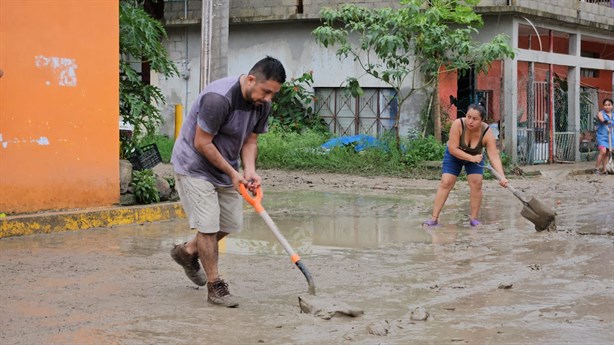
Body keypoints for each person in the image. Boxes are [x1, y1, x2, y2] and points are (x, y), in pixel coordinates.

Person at [170, 56, 286, 307]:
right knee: (208, 226)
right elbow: (202, 143)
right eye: (266, 92)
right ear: (251, 79)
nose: (268, 99)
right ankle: (215, 287)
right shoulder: (219, 98)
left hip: (226, 168)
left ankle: (187, 252)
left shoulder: (262, 105)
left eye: (273, 94)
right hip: (195, 166)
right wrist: (234, 174)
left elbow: (250, 140)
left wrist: (249, 171)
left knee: (230, 223)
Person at [423, 103, 509, 227]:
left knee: (476, 182)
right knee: (446, 182)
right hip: (455, 156)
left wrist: (502, 177)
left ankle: (474, 219)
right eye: (468, 117)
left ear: (482, 120)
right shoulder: (458, 124)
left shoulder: (486, 132)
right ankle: (434, 218)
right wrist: (471, 157)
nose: (470, 121)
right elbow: (453, 149)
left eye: (475, 119)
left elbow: (494, 156)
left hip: (475, 158)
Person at [594, 98, 613, 175]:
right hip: (602, 136)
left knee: (607, 153)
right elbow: (601, 120)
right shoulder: (600, 113)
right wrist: (606, 121)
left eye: (609, 105)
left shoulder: (613, 115)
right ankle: (596, 168)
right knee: (603, 151)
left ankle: (605, 169)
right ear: (603, 106)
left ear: (612, 106)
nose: (607, 106)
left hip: (611, 136)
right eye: (605, 105)